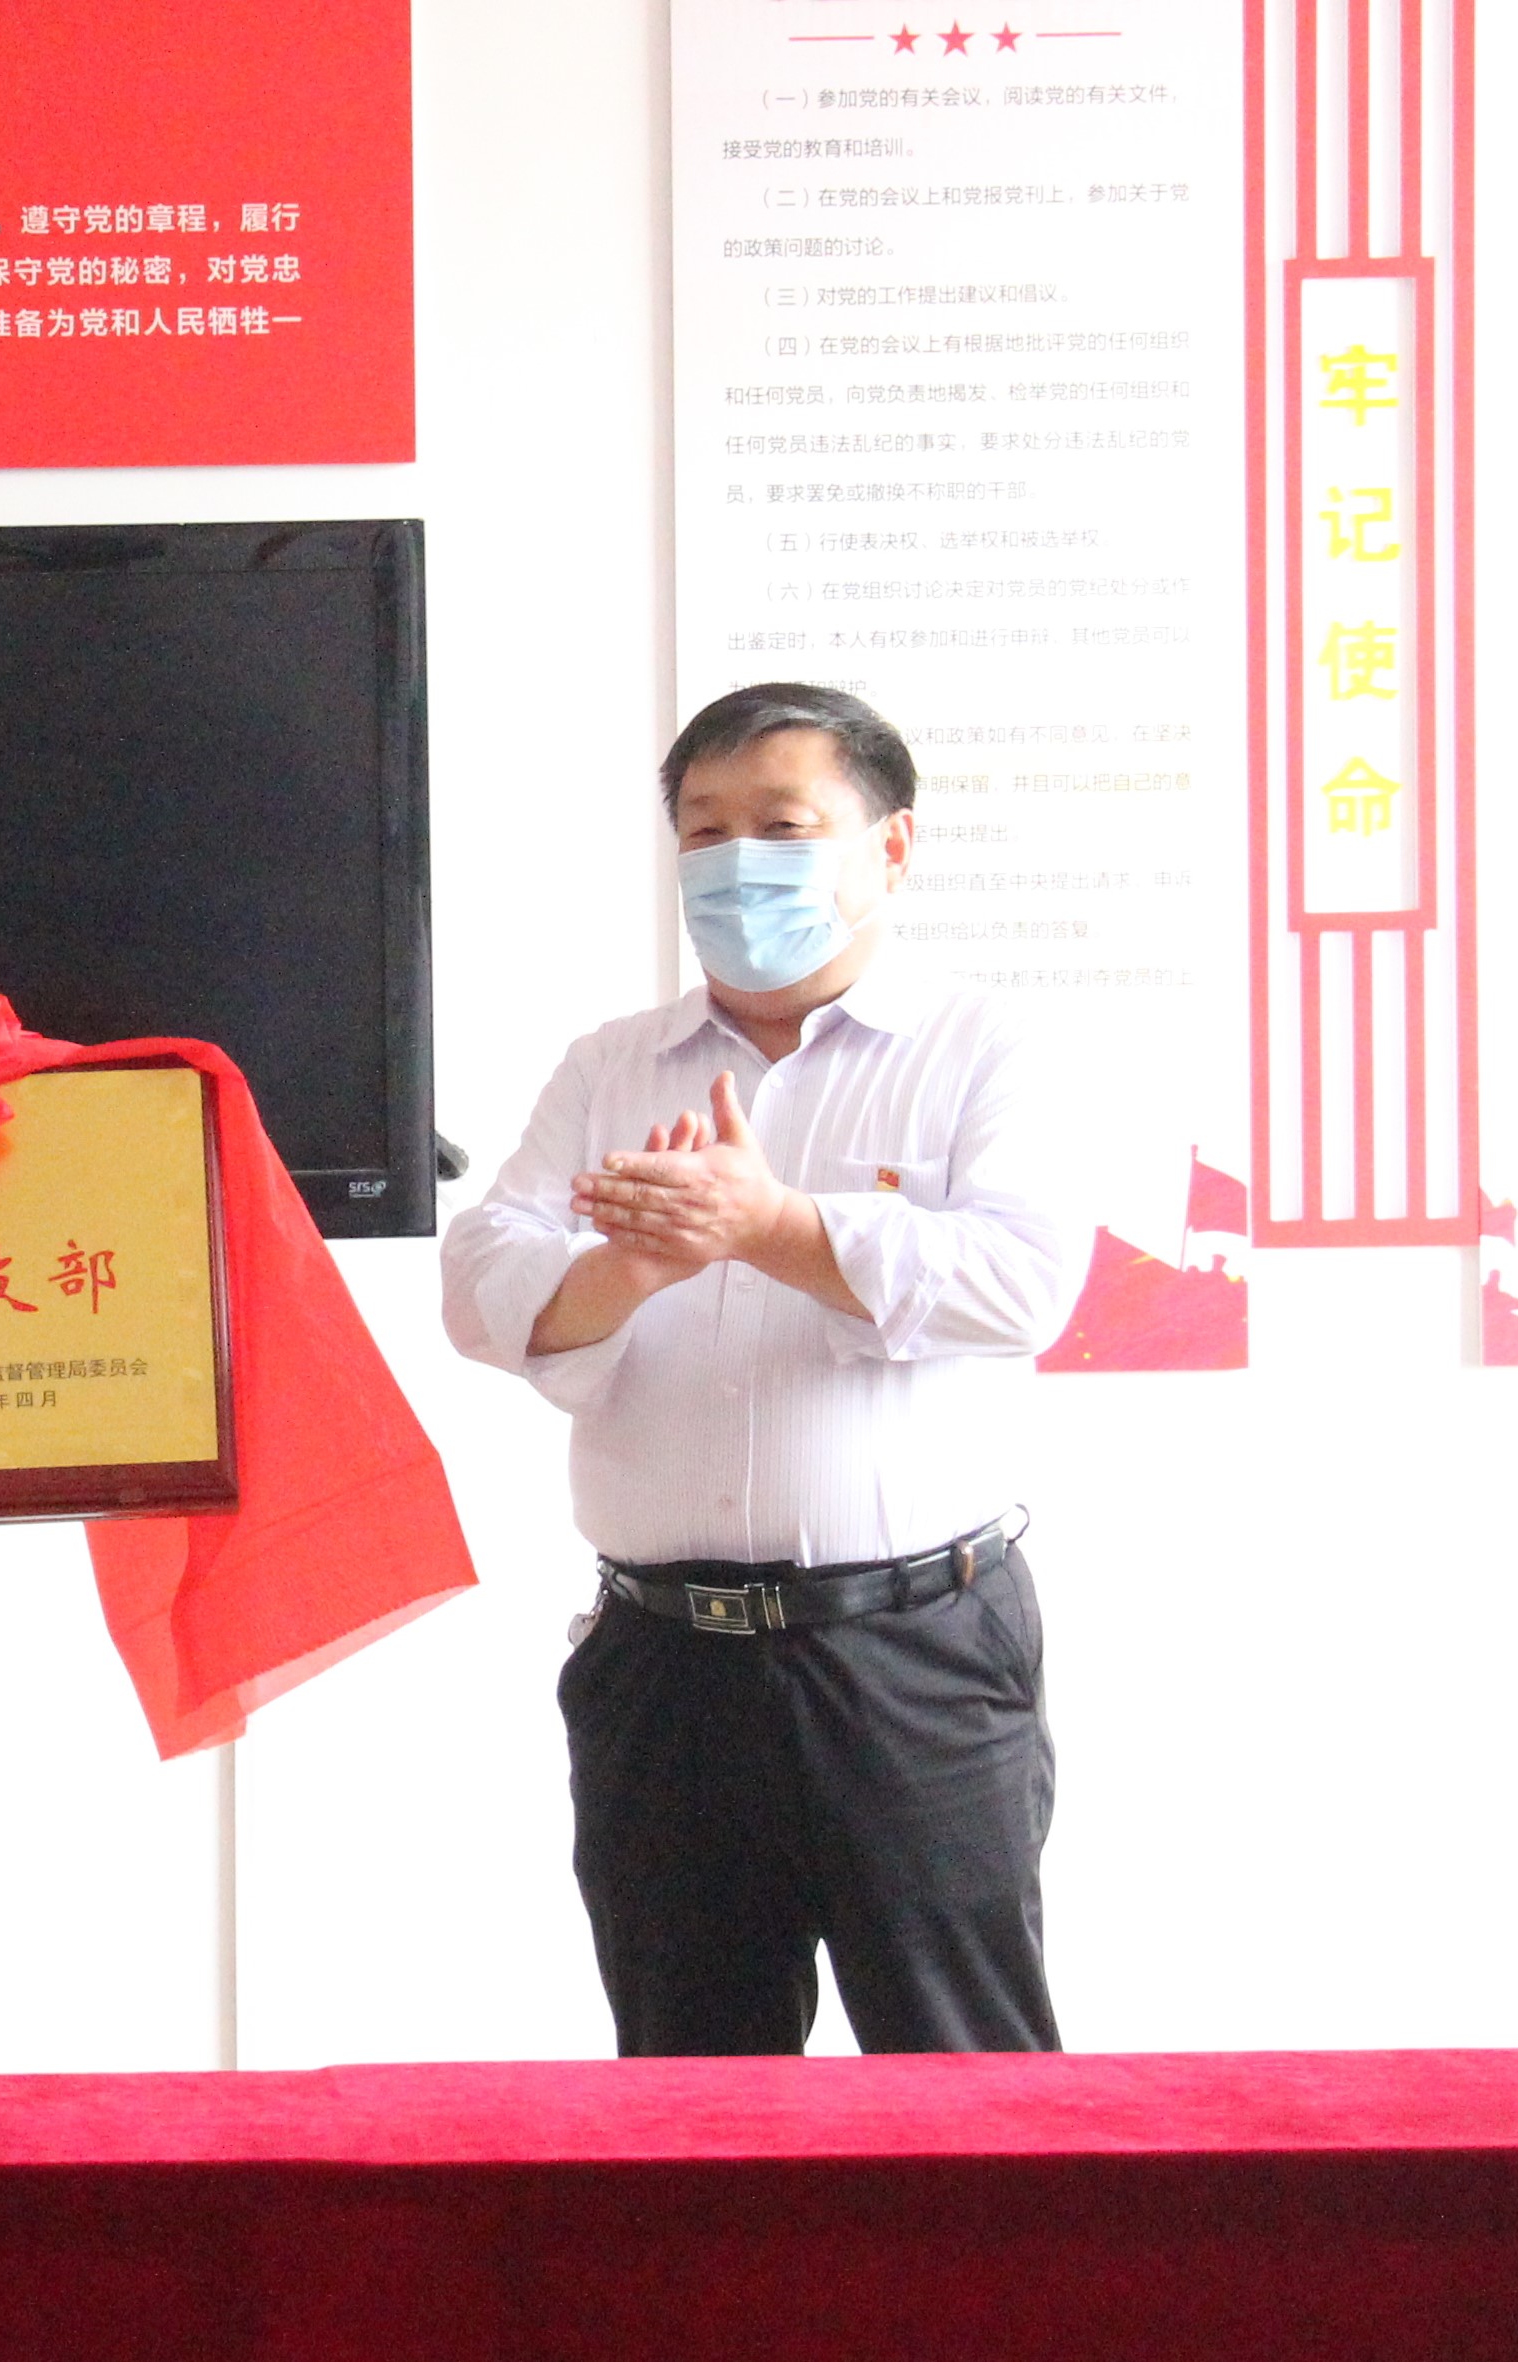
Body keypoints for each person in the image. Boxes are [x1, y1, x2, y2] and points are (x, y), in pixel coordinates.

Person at [440, 682, 1087, 2057]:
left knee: (963, 2078)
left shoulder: (985, 1047)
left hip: (911, 1651)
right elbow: (479, 1283)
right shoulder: (611, 1064)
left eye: (783, 826)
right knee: (687, 2086)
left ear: (890, 847)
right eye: (703, 828)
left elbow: (1024, 1280)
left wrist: (773, 1228)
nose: (737, 861)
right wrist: (633, 1266)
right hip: (662, 1665)